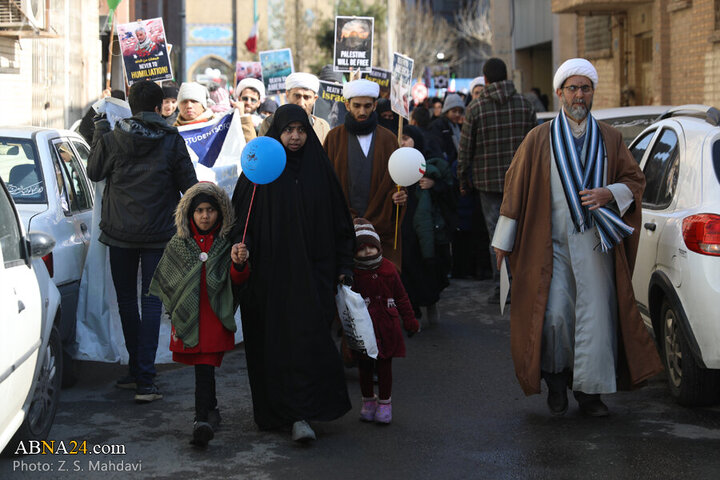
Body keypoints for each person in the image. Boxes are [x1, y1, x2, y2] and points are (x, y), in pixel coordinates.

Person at [491, 58, 663, 417]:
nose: (579, 95)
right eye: (573, 88)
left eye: (586, 88)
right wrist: (503, 242)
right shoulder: (538, 139)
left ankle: (590, 395)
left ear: (592, 93)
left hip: (596, 250)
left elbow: (635, 182)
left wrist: (610, 193)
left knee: (596, 322)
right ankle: (556, 383)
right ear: (559, 93)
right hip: (549, 249)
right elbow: (515, 191)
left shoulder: (610, 138)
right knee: (553, 318)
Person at [231, 104, 355, 442]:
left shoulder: (320, 169)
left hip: (314, 276)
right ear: (277, 133)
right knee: (275, 345)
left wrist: (344, 266)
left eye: (301, 130)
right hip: (271, 279)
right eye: (289, 130)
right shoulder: (261, 171)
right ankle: (279, 412)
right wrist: (242, 248)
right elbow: (242, 221)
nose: (296, 137)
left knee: (308, 341)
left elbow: (340, 222)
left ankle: (303, 414)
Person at [87, 80, 198, 403]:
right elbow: (189, 186)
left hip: (118, 233)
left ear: (131, 106)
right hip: (160, 234)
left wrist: (99, 133)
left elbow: (94, 172)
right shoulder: (171, 140)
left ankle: (136, 370)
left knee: (126, 301)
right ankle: (146, 379)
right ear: (158, 105)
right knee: (152, 302)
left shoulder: (112, 138)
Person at [149, 182, 250, 447]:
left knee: (205, 366)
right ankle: (205, 416)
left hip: (214, 316)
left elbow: (237, 282)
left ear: (221, 213)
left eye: (211, 210)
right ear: (189, 214)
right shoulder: (179, 244)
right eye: (199, 211)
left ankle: (203, 416)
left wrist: (239, 264)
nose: (205, 216)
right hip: (190, 315)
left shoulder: (227, 244)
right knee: (203, 368)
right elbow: (168, 280)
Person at [456, 57, 536, 303]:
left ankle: (504, 287)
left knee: (497, 235)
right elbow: (537, 143)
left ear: (486, 79)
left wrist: (462, 179)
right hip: (523, 180)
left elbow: (465, 148)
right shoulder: (525, 104)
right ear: (507, 76)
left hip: (487, 182)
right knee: (523, 232)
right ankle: (528, 283)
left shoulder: (476, 108)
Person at [324, 79, 407, 269]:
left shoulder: (388, 139)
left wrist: (400, 196)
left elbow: (397, 181)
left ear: (375, 106)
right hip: (344, 224)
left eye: (368, 106)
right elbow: (326, 182)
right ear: (347, 105)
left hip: (381, 224)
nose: (362, 112)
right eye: (357, 106)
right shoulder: (334, 138)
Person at [352, 218, 419, 424]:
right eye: (362, 249)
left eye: (372, 247)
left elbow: (401, 296)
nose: (368, 252)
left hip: (387, 327)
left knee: (384, 367)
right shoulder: (353, 273)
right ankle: (368, 401)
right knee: (364, 367)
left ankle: (385, 403)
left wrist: (409, 318)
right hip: (365, 329)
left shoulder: (388, 269)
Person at [399, 126, 455, 324]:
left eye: (406, 138)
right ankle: (413, 312)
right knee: (408, 265)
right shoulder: (395, 164)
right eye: (400, 138)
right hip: (406, 225)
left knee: (430, 267)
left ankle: (431, 303)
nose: (402, 143)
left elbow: (450, 192)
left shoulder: (432, 164)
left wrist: (434, 184)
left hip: (429, 228)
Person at [257, 72, 332, 143]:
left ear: (314, 99)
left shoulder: (322, 126)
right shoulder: (270, 123)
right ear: (287, 95)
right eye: (297, 96)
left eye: (307, 97)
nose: (301, 103)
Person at [175, 81, 256, 143]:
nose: (189, 106)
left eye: (194, 101)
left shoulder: (220, 126)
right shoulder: (171, 132)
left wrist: (242, 118)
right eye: (184, 102)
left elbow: (250, 146)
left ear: (203, 105)